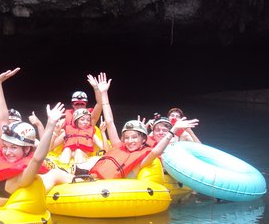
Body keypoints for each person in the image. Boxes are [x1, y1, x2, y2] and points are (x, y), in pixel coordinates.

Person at [71, 74, 199, 180]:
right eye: (127, 137)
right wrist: (103, 93)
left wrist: (174, 129)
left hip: (106, 185)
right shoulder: (119, 146)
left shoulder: (144, 157)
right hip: (92, 178)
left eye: (134, 137)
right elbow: (109, 121)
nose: (130, 141)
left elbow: (156, 151)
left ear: (143, 139)